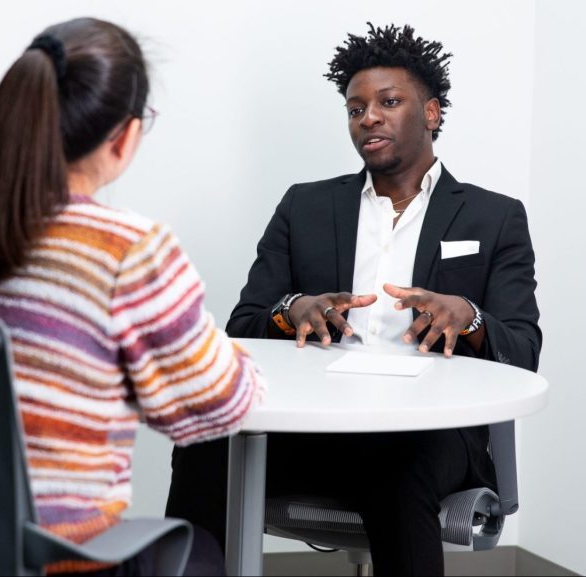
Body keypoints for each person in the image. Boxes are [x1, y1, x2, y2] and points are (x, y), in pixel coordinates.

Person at [165, 23, 541, 576]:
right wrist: (290, 309)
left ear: (431, 113)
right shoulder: (305, 207)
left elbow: (524, 350)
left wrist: (472, 319)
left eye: (389, 102)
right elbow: (242, 324)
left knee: (397, 462)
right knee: (204, 440)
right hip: (314, 429)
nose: (369, 117)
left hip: (428, 437)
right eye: (355, 108)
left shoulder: (495, 216)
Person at [0, 17, 265, 576]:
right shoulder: (127, 250)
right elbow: (218, 404)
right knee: (206, 556)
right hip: (60, 552)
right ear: (124, 137)